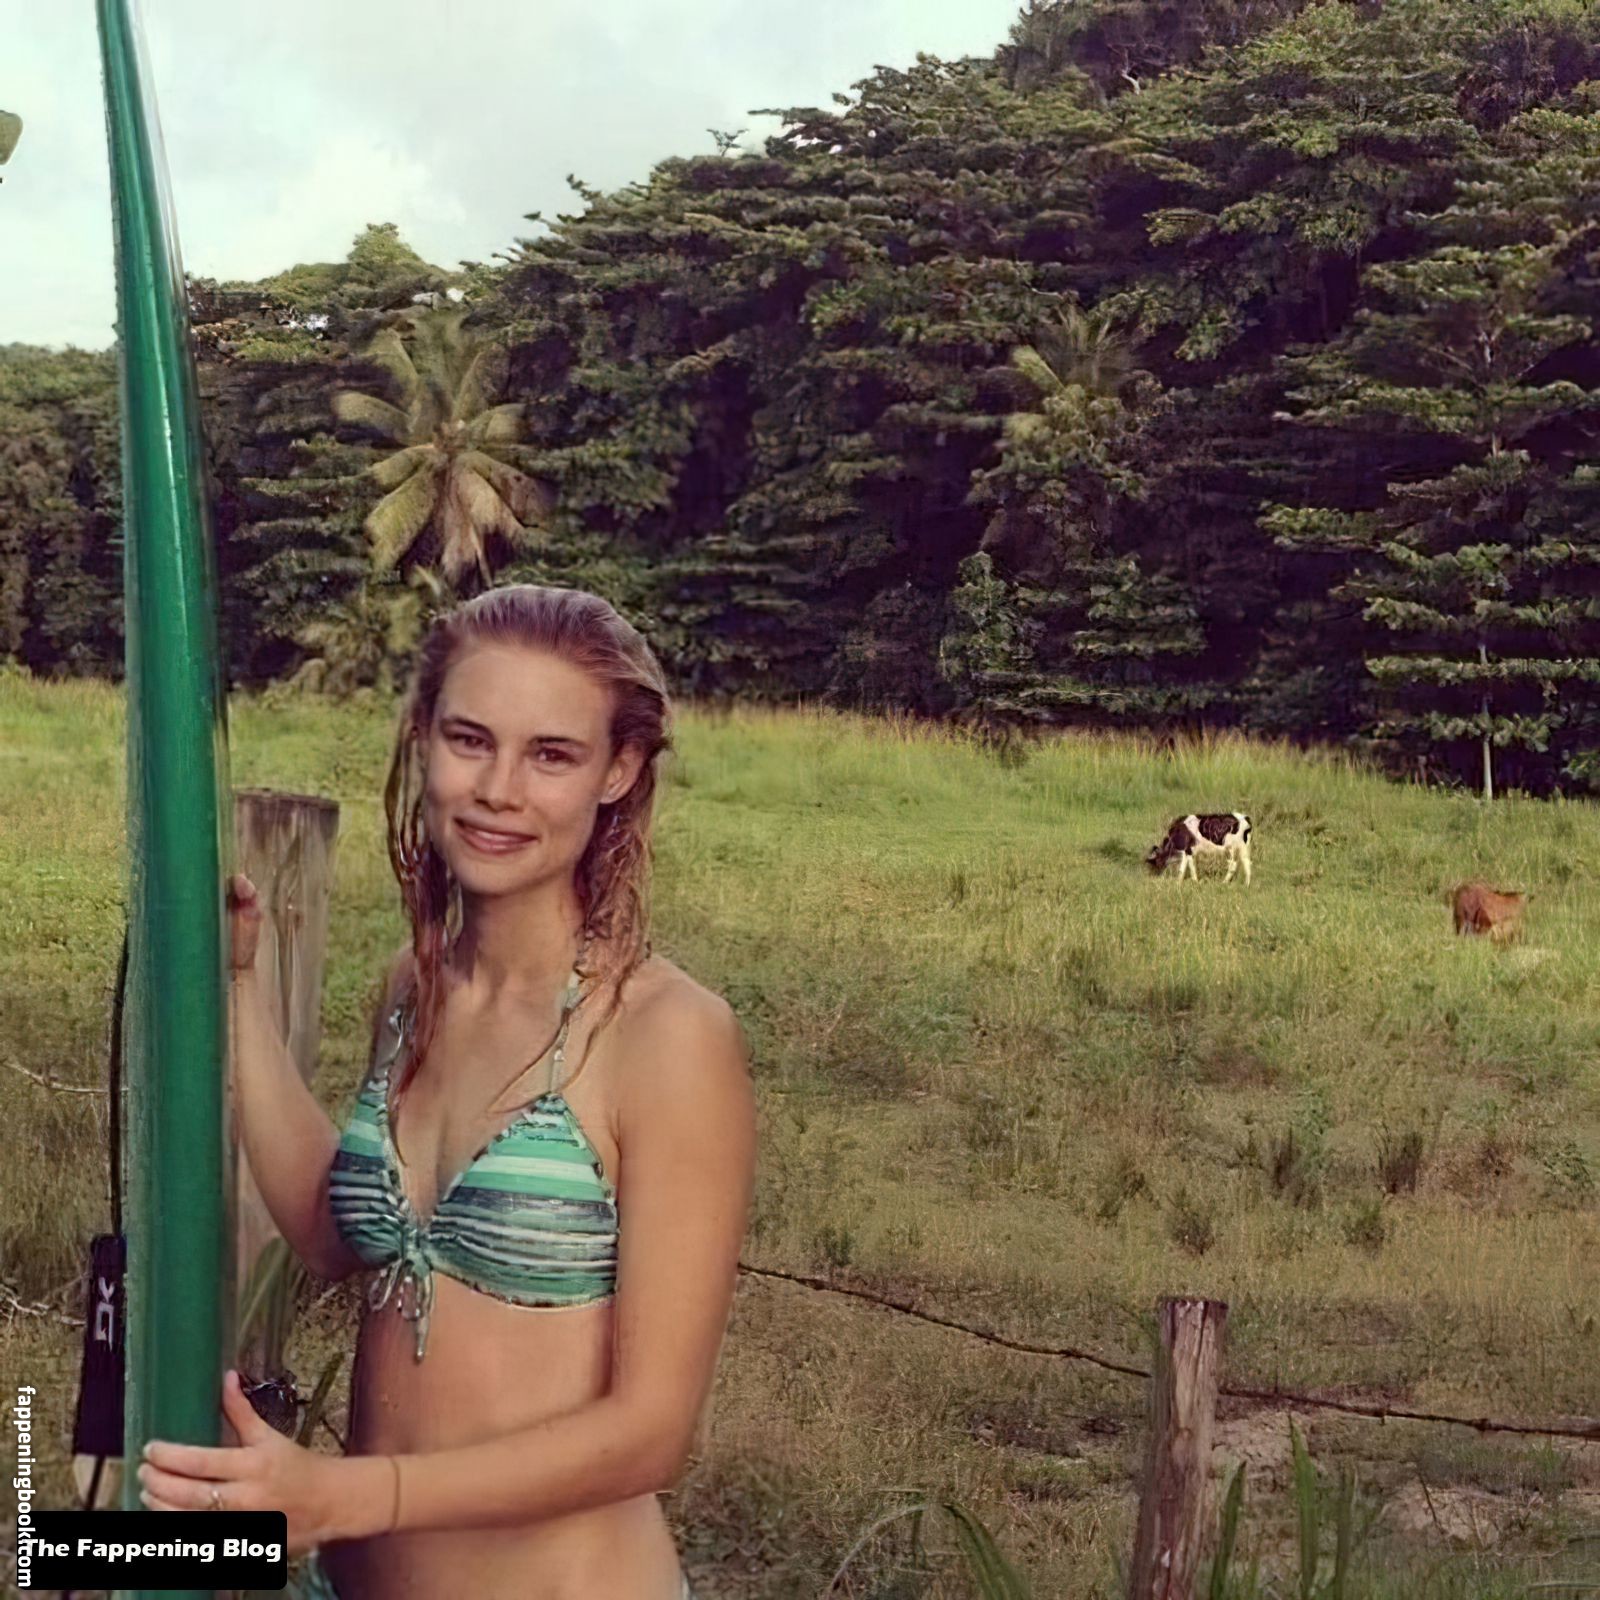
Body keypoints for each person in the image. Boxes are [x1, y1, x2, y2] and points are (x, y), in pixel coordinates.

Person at [137, 584, 758, 1600]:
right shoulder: (414, 986)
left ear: (618, 770)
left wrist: (349, 1494)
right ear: (422, 737)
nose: (498, 790)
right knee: (67, 1550)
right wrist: (239, 988)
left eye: (551, 755)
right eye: (470, 739)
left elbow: (651, 1433)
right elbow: (334, 1237)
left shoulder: (668, 1036)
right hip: (343, 1581)